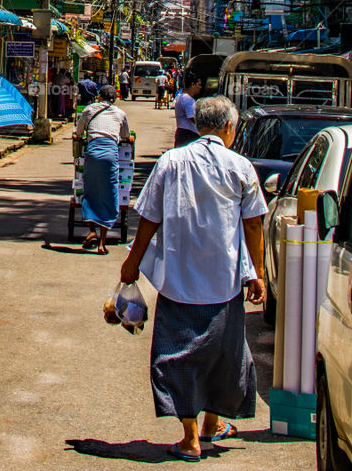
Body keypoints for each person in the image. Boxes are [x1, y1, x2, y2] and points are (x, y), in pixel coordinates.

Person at [120, 95, 267, 462]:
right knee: (224, 357)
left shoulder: (171, 162)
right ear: (229, 127)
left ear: (198, 124)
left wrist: (132, 263)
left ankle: (192, 437)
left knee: (176, 358)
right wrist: (259, 275)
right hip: (224, 284)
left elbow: (149, 218)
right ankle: (212, 423)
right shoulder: (241, 166)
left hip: (178, 282)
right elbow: (253, 224)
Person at [74, 84, 132, 255]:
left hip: (93, 153)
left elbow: (78, 133)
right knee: (109, 193)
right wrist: (131, 138)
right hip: (110, 155)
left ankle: (91, 230)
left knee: (90, 191)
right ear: (114, 99)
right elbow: (126, 135)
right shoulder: (120, 114)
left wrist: (78, 136)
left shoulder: (89, 110)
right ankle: (102, 243)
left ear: (99, 96)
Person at [174, 70, 203, 148]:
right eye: (199, 84)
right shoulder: (188, 99)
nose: (200, 87)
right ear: (192, 84)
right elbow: (193, 118)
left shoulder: (181, 97)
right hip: (188, 135)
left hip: (184, 134)